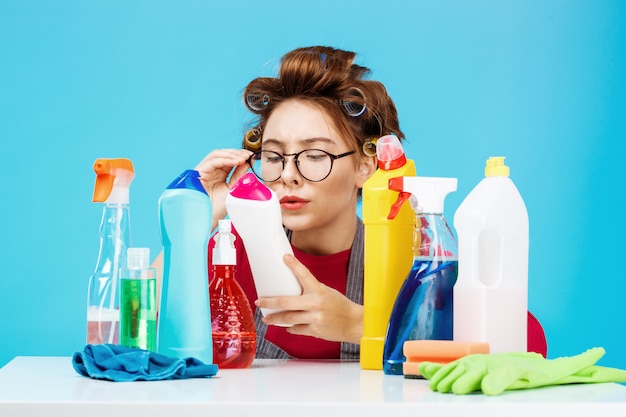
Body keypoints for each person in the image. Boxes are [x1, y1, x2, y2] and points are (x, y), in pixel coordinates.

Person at [192, 45, 547, 360]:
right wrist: (201, 216)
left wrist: (362, 324)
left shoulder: (412, 262)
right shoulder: (232, 252)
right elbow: (143, 325)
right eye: (273, 156)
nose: (288, 174)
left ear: (366, 166)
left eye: (314, 155)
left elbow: (526, 342)